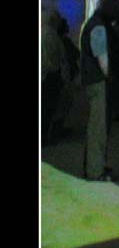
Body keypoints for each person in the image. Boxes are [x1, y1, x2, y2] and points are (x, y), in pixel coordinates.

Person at [80, 0, 119, 181]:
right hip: (97, 81)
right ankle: (95, 171)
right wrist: (108, 75)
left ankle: (94, 164)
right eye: (115, 9)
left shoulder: (93, 23)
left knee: (97, 126)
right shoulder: (98, 27)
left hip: (92, 79)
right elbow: (101, 56)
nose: (116, 13)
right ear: (107, 8)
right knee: (98, 128)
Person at [41, 9, 66, 146]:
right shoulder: (51, 35)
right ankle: (43, 137)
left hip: (45, 75)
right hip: (50, 76)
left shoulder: (44, 33)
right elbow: (59, 57)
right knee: (48, 108)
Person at [53, 16, 80, 139]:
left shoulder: (55, 39)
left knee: (59, 105)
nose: (69, 26)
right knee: (63, 105)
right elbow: (75, 53)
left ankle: (56, 129)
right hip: (65, 76)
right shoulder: (64, 41)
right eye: (66, 25)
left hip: (60, 76)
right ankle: (57, 130)